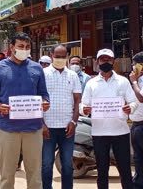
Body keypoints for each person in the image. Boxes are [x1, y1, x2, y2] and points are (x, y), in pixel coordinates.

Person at [0, 32, 50, 189]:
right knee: (7, 175)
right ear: (11, 47)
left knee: (35, 175)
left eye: (27, 47)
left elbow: (44, 94)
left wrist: (45, 102)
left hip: (33, 129)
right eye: (21, 46)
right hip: (8, 129)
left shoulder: (37, 68)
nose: (24, 50)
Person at [81, 49, 136, 189]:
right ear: (97, 62)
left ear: (113, 61)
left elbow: (133, 102)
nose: (105, 62)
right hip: (99, 133)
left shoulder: (123, 81)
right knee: (102, 170)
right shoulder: (91, 83)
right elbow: (83, 104)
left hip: (121, 132)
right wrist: (84, 110)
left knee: (125, 169)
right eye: (102, 59)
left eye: (108, 59)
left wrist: (130, 108)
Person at [42, 45, 82, 189]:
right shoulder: (43, 74)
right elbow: (37, 99)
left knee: (66, 164)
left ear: (67, 57)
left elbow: (77, 100)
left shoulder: (73, 75)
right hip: (47, 128)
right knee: (46, 164)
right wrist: (42, 124)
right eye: (57, 56)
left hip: (67, 128)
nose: (59, 59)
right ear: (51, 55)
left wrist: (74, 122)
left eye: (63, 56)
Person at [128, 51, 143, 189]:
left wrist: (134, 82)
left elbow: (141, 97)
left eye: (135, 65)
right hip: (136, 125)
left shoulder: (137, 81)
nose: (133, 68)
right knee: (138, 158)